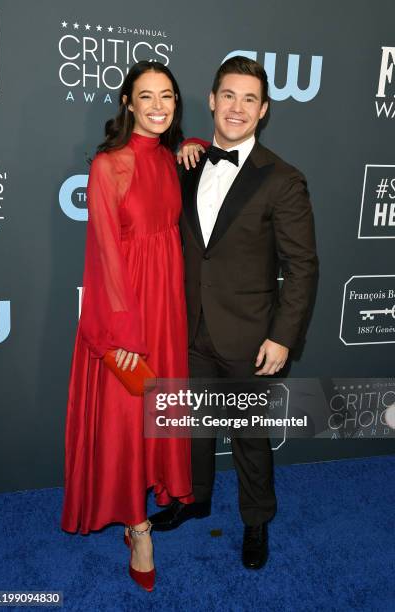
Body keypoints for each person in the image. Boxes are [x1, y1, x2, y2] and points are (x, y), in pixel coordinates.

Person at [150, 56, 319, 570]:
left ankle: (256, 521)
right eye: (229, 95)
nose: (237, 107)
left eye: (250, 99)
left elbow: (303, 265)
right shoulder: (187, 162)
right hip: (190, 325)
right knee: (194, 428)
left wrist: (283, 336)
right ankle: (195, 499)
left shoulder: (283, 178)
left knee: (248, 436)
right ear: (211, 100)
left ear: (264, 110)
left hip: (249, 336)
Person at [61, 61, 194, 592]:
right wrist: (124, 338)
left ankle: (148, 502)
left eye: (167, 96)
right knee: (126, 417)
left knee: (155, 414)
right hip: (126, 315)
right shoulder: (108, 165)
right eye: (147, 96)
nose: (158, 106)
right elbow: (105, 257)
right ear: (127, 103)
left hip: (167, 308)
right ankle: (138, 531)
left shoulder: (169, 158)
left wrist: (195, 143)